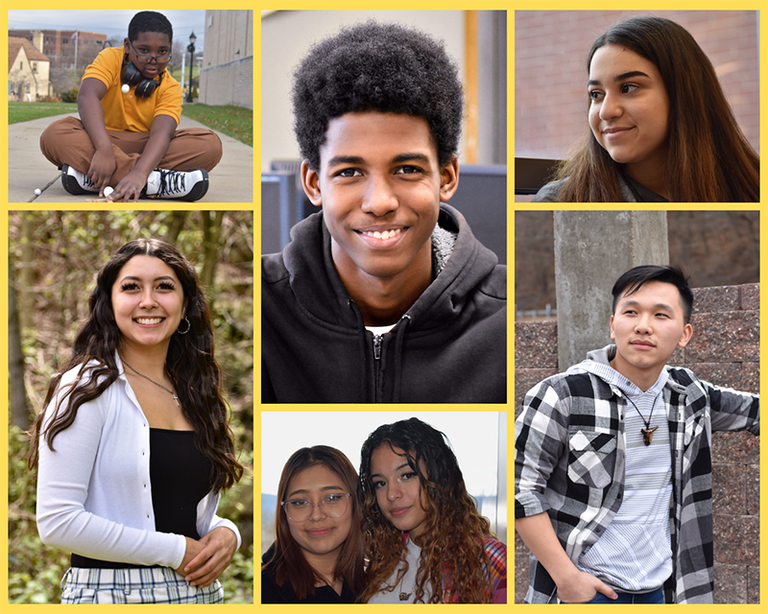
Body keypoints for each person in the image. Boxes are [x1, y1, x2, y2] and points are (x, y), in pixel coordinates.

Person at [261, 21, 506, 403]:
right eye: (349, 172)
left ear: (446, 176)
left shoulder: (503, 321)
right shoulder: (262, 310)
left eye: (407, 169)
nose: (379, 202)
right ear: (313, 183)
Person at [514, 265, 760, 604]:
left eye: (661, 315)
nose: (643, 325)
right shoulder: (562, 395)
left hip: (661, 591)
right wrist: (567, 577)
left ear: (685, 333)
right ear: (613, 325)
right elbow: (521, 489)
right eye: (631, 312)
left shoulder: (688, 395)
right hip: (584, 592)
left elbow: (754, 412)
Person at [27, 238, 244, 603]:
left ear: (185, 304)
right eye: (131, 288)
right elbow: (57, 522)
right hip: (110, 596)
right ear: (109, 304)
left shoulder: (195, 393)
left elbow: (187, 514)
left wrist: (227, 533)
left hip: (199, 596)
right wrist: (175, 552)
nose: (148, 301)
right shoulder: (86, 386)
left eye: (164, 287)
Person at [531, 16, 759, 202]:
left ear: (683, 93)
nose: (606, 112)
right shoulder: (560, 203)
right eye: (596, 95)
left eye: (629, 88)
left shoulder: (753, 188)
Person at [39, 11, 220, 202]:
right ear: (127, 45)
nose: (153, 58)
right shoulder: (110, 58)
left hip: (147, 146)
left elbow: (161, 134)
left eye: (162, 51)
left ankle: (99, 179)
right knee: (55, 134)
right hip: (99, 139)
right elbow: (87, 95)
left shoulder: (172, 88)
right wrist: (104, 149)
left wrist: (140, 172)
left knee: (210, 145)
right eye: (143, 50)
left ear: (170, 49)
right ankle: (156, 183)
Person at [359, 417, 507, 603]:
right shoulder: (379, 558)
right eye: (380, 483)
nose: (391, 494)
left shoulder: (489, 560)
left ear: (438, 477)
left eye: (407, 475)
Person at [261, 446, 366, 603]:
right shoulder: (264, 592)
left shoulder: (381, 586)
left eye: (332, 498)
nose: (316, 515)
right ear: (284, 512)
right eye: (299, 502)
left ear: (356, 503)